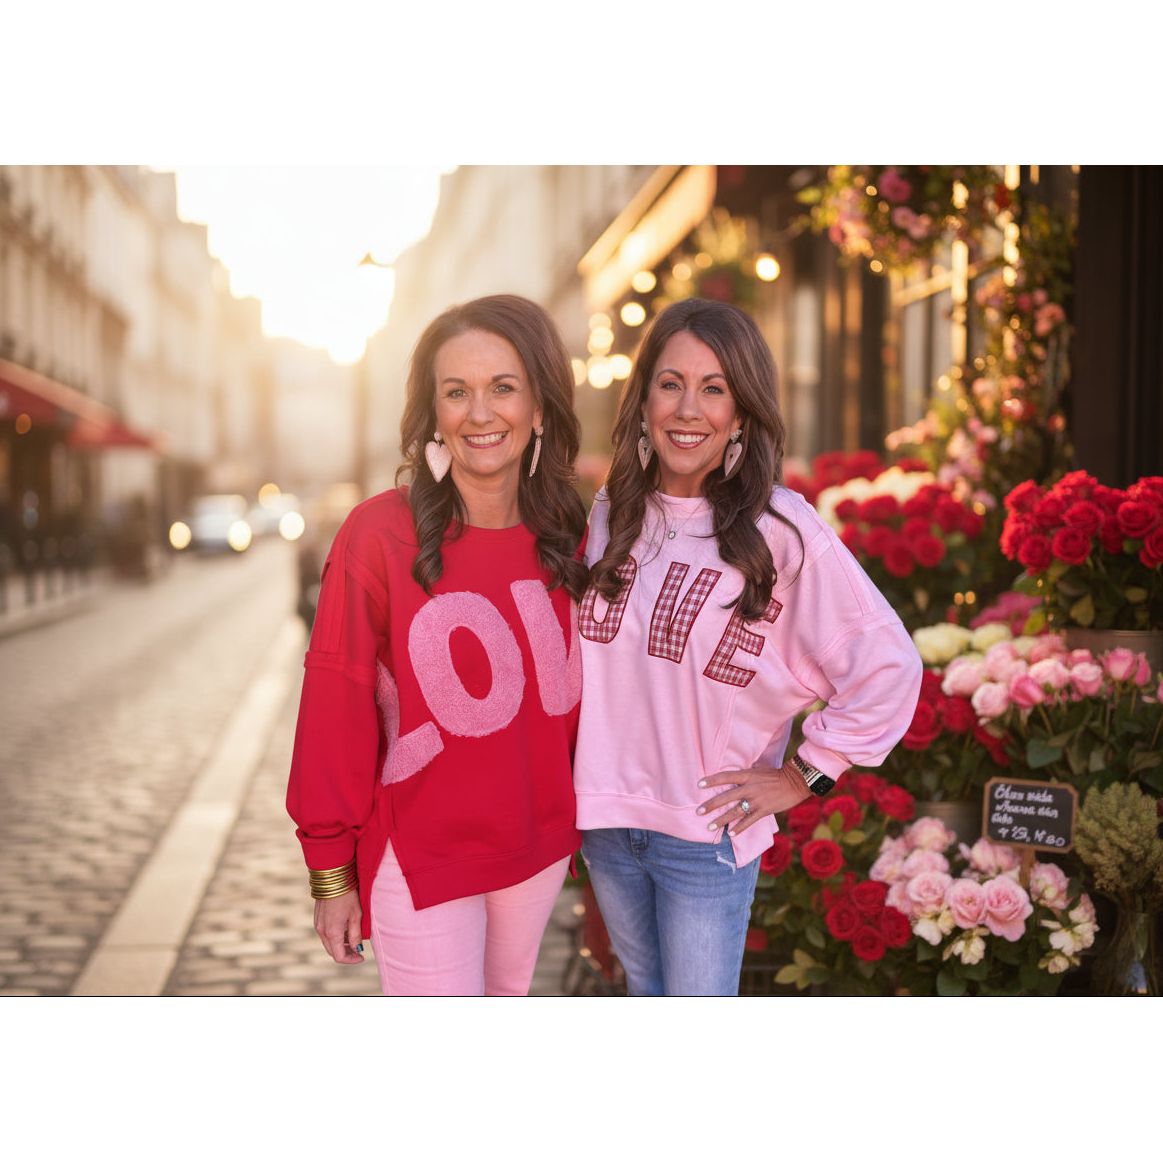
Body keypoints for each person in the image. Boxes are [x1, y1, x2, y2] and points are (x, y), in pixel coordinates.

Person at [574, 298, 922, 996]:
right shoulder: (612, 512)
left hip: (704, 838)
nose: (687, 408)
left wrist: (804, 775)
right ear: (642, 400)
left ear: (740, 413)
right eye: (670, 383)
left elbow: (887, 665)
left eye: (714, 388)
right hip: (606, 825)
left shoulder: (781, 529)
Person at [286, 294, 588, 996]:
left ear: (540, 406)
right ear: (433, 412)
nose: (479, 413)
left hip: (535, 849)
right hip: (421, 854)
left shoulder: (571, 537)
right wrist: (331, 868)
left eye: (502, 388)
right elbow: (335, 701)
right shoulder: (378, 535)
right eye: (456, 392)